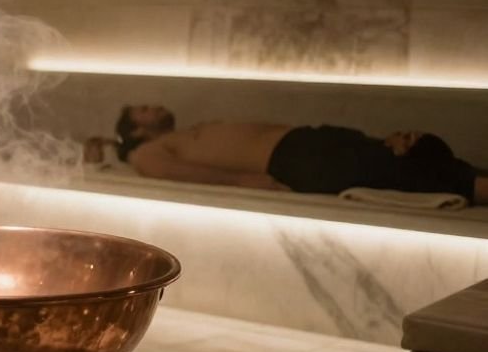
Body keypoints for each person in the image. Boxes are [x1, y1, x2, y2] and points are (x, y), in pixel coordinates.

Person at [103, 104, 487, 205]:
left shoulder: (184, 133)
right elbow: (179, 175)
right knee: (404, 172)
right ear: (135, 130)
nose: (155, 106)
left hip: (308, 143)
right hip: (294, 161)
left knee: (409, 155)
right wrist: (247, 182)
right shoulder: (146, 153)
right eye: (144, 110)